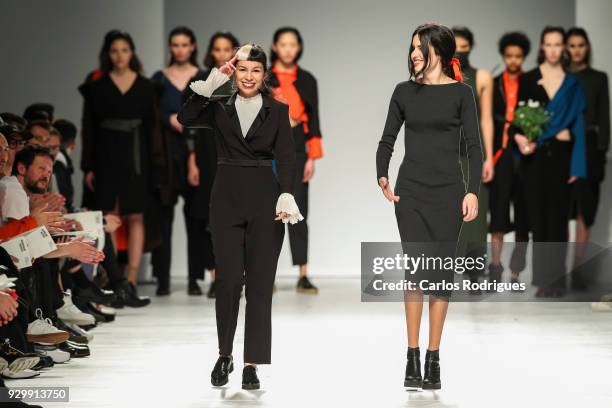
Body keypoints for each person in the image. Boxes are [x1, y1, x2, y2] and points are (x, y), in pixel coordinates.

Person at [178, 43, 303, 390]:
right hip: (227, 198)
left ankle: (251, 364)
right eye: (243, 69)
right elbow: (185, 117)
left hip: (266, 200)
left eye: (255, 70)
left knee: (260, 286)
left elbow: (288, 158)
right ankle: (225, 354)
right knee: (229, 281)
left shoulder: (278, 110)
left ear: (265, 75)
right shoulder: (218, 107)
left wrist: (287, 193)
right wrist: (219, 74)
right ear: (236, 71)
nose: (248, 76)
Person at [376, 23, 482, 390]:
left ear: (440, 50)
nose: (414, 53)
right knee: (415, 273)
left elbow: (474, 146)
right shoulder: (404, 91)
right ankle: (412, 355)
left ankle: (434, 357)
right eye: (411, 48)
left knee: (440, 275)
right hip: (411, 194)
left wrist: (472, 192)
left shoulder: (461, 93)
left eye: (420, 46)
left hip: (450, 193)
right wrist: (382, 176)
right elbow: (387, 139)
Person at [78, 30, 164, 297]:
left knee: (137, 215)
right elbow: (88, 127)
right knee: (109, 215)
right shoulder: (97, 86)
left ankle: (132, 279)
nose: (120, 56)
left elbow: (153, 129)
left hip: (138, 157)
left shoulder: (146, 86)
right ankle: (114, 278)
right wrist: (88, 166)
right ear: (108, 54)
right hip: (106, 154)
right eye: (114, 50)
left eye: (125, 50)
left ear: (132, 53)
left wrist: (156, 164)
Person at [511, 26, 587, 297]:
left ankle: (557, 281)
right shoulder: (529, 78)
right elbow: (519, 119)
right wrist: (520, 139)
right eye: (549, 44)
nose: (554, 49)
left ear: (564, 48)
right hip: (536, 157)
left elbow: (579, 125)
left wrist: (577, 166)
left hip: (563, 156)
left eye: (558, 44)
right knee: (539, 219)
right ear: (542, 47)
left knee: (558, 220)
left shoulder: (573, 83)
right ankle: (543, 281)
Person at [182, 31, 240, 298]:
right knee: (210, 218)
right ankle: (217, 277)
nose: (222, 53)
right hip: (207, 155)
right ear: (211, 52)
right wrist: (192, 160)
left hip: (233, 154)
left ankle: (233, 276)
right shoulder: (205, 81)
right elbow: (189, 124)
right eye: (217, 49)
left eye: (227, 49)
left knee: (236, 216)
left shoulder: (244, 81)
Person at [269, 27, 324, 294]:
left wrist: (313, 156)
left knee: (299, 211)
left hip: (298, 146)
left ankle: (303, 274)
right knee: (267, 211)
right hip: (268, 147)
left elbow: (314, 119)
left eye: (293, 44)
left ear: (299, 47)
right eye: (283, 44)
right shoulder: (264, 77)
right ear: (274, 46)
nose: (288, 49)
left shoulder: (307, 79)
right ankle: (266, 273)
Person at [151, 26, 201, 296]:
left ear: (192, 46)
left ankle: (194, 279)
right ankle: (163, 280)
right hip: (167, 156)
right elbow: (151, 113)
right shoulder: (159, 79)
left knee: (195, 220)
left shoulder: (203, 77)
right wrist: (167, 119)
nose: (180, 49)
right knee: (163, 219)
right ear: (170, 48)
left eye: (185, 44)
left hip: (195, 153)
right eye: (175, 44)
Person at [565, 27, 610, 290]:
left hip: (589, 145)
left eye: (581, 45)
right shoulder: (559, 76)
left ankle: (579, 268)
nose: (576, 50)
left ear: (587, 48)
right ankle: (556, 268)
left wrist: (601, 151)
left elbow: (604, 116)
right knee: (560, 208)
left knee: (585, 209)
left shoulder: (598, 78)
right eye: (571, 45)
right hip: (561, 145)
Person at [452, 26, 494, 292]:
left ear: (471, 46)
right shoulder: (435, 76)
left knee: (476, 217)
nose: (459, 51)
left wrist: (489, 158)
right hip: (444, 153)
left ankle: (475, 274)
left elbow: (486, 119)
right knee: (445, 215)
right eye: (454, 46)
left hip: (473, 152)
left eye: (464, 46)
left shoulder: (482, 77)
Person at [488, 32, 531, 285]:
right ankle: (495, 266)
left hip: (526, 156)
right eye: (509, 56)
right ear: (503, 56)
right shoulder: (494, 84)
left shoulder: (531, 82)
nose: (513, 60)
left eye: (518, 56)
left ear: (523, 56)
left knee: (524, 214)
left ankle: (516, 271)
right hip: (501, 154)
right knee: (499, 211)